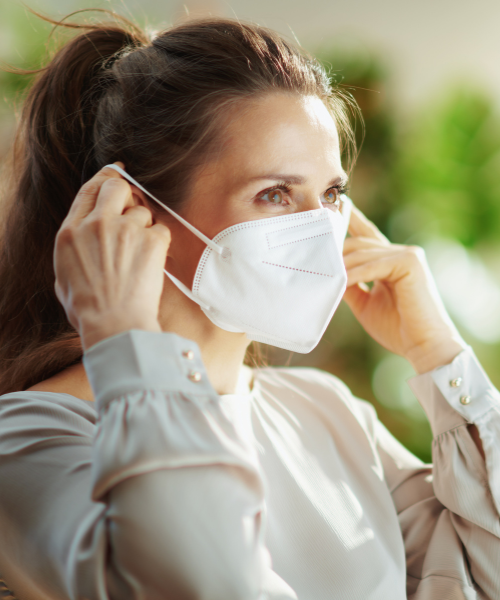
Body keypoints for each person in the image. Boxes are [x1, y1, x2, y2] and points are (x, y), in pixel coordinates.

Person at [0, 11, 499, 600]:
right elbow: (205, 584)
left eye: (332, 193)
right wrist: (126, 339)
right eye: (275, 193)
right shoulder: (30, 438)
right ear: (132, 212)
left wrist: (440, 354)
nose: (319, 229)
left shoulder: (327, 413)